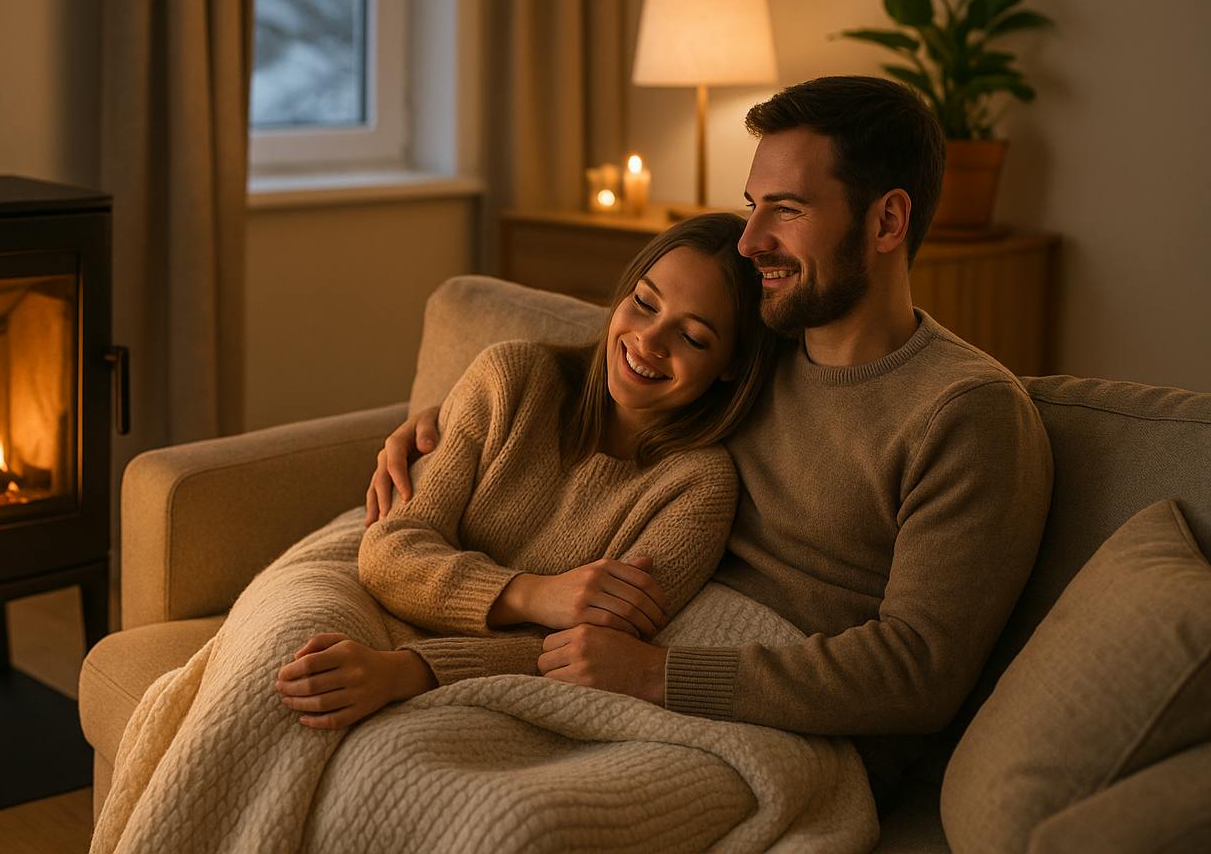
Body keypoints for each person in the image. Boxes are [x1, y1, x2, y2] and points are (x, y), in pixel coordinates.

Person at [367, 75, 1054, 803]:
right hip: (621, 665)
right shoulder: (756, 350)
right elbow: (607, 353)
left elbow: (916, 672)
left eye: (787, 211)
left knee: (501, 816)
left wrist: (657, 674)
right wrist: (439, 420)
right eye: (755, 206)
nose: (752, 240)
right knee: (381, 765)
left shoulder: (968, 415)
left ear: (886, 223)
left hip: (774, 726)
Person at [272, 213, 779, 729]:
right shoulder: (512, 377)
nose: (649, 341)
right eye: (644, 303)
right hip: (369, 602)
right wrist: (536, 594)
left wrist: (407, 672)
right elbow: (388, 550)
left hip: (463, 679)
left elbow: (589, 655)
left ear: (731, 364)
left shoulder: (700, 487)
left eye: (693, 337)